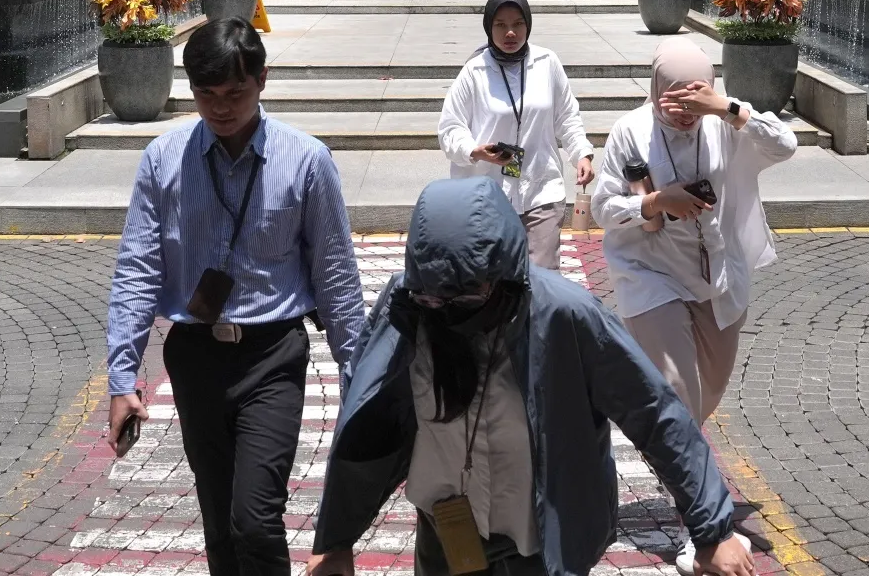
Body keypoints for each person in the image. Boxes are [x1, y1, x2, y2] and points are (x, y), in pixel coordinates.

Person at [305, 178, 756, 576]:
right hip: (444, 534)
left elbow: (654, 414)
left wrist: (712, 530)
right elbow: (366, 421)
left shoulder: (566, 315)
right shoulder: (410, 304)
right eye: (435, 298)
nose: (448, 309)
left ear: (505, 275)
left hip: (541, 541)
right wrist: (335, 540)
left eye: (468, 297)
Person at [108, 19, 367, 576]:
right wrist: (122, 378)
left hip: (272, 356)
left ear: (262, 81)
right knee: (220, 522)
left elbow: (336, 276)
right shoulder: (163, 159)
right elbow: (137, 270)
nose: (221, 108)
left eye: (235, 93)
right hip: (195, 356)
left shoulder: (307, 160)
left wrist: (358, 375)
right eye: (206, 94)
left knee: (255, 517)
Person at [591, 40, 798, 448]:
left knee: (712, 386)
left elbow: (784, 144)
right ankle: (687, 474)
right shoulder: (631, 131)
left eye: (694, 99)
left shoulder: (723, 119)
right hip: (651, 273)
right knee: (679, 388)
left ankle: (674, 447)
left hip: (716, 276)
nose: (686, 112)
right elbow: (602, 208)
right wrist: (655, 202)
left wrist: (724, 108)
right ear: (656, 89)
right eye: (676, 100)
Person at [437, 0, 593, 270]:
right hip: (487, 194)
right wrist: (474, 151)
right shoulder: (474, 72)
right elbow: (450, 128)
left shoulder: (547, 63)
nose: (510, 33)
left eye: (518, 24)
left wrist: (581, 153)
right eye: (501, 25)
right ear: (489, 27)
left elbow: (567, 116)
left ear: (528, 25)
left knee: (543, 276)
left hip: (541, 187)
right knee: (493, 278)